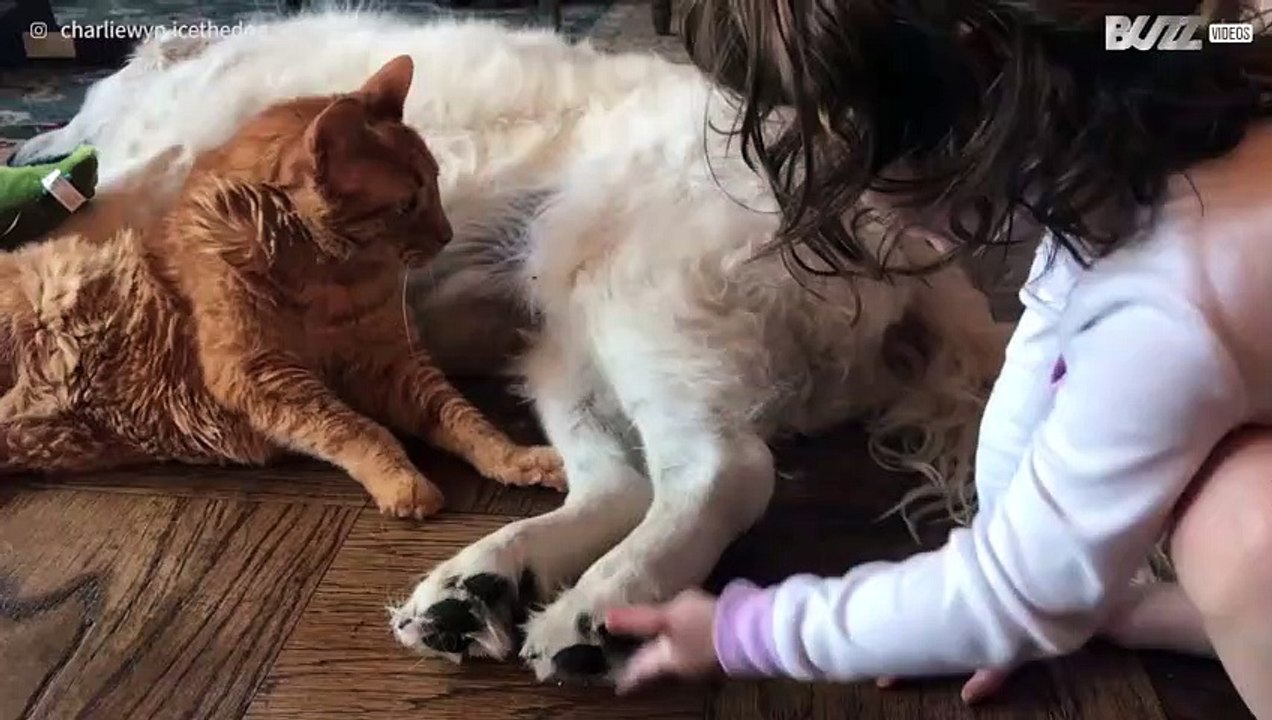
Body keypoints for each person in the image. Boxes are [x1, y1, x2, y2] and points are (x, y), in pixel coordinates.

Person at [602, 1, 1272, 717]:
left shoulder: (1166, 311)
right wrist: (1016, 565)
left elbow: (1014, 592)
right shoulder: (1151, 131)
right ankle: (1131, 614)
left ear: (979, 87)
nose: (858, 195)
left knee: (1247, 537)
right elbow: (1051, 325)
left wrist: (743, 632)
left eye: (843, 142)